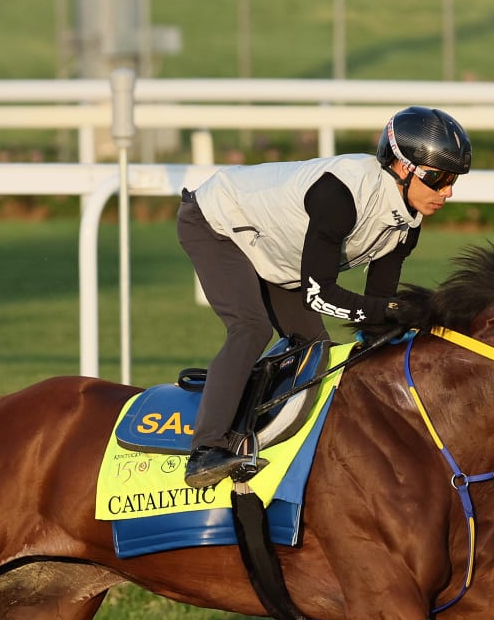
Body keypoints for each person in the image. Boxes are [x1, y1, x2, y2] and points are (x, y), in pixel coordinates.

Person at [178, 106, 472, 488]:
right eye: (439, 178)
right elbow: (320, 295)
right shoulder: (340, 194)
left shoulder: (407, 224)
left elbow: (375, 314)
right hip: (214, 222)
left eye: (453, 180)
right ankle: (205, 451)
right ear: (403, 168)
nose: (447, 191)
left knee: (315, 348)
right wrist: (399, 309)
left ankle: (277, 440)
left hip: (274, 250)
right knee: (251, 328)